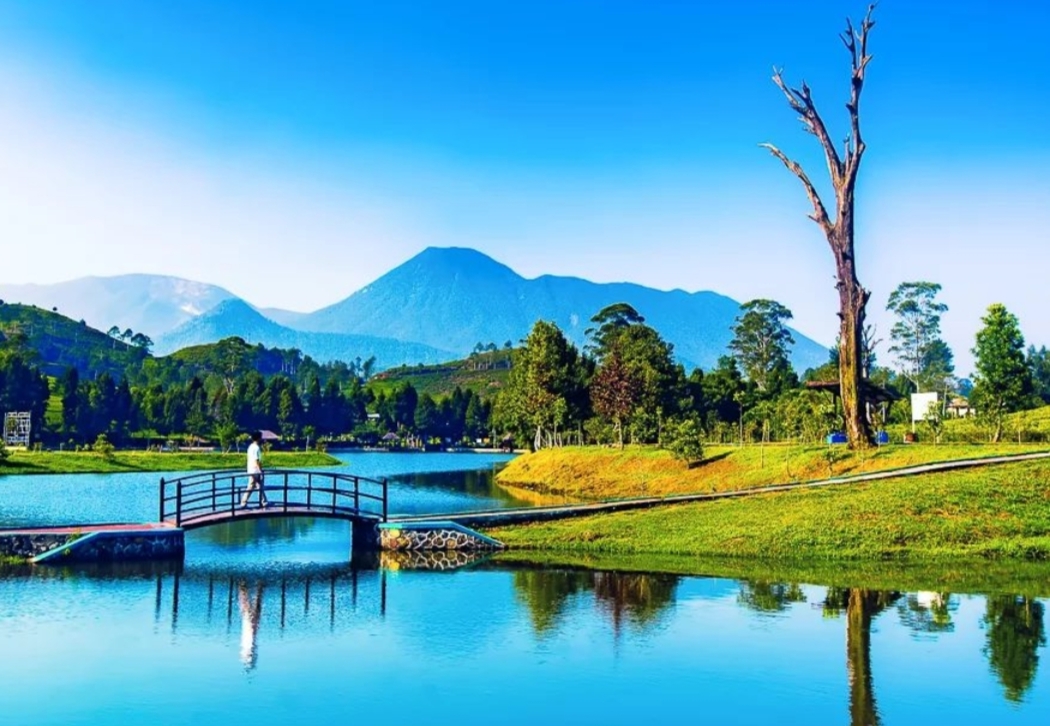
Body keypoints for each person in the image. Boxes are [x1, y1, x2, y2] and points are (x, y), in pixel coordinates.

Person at [240, 430, 269, 508]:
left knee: (258, 485)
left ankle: (263, 501)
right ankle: (244, 501)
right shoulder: (256, 448)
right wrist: (260, 470)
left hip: (251, 469)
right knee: (252, 485)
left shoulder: (250, 447)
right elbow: (257, 460)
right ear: (258, 438)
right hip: (255, 470)